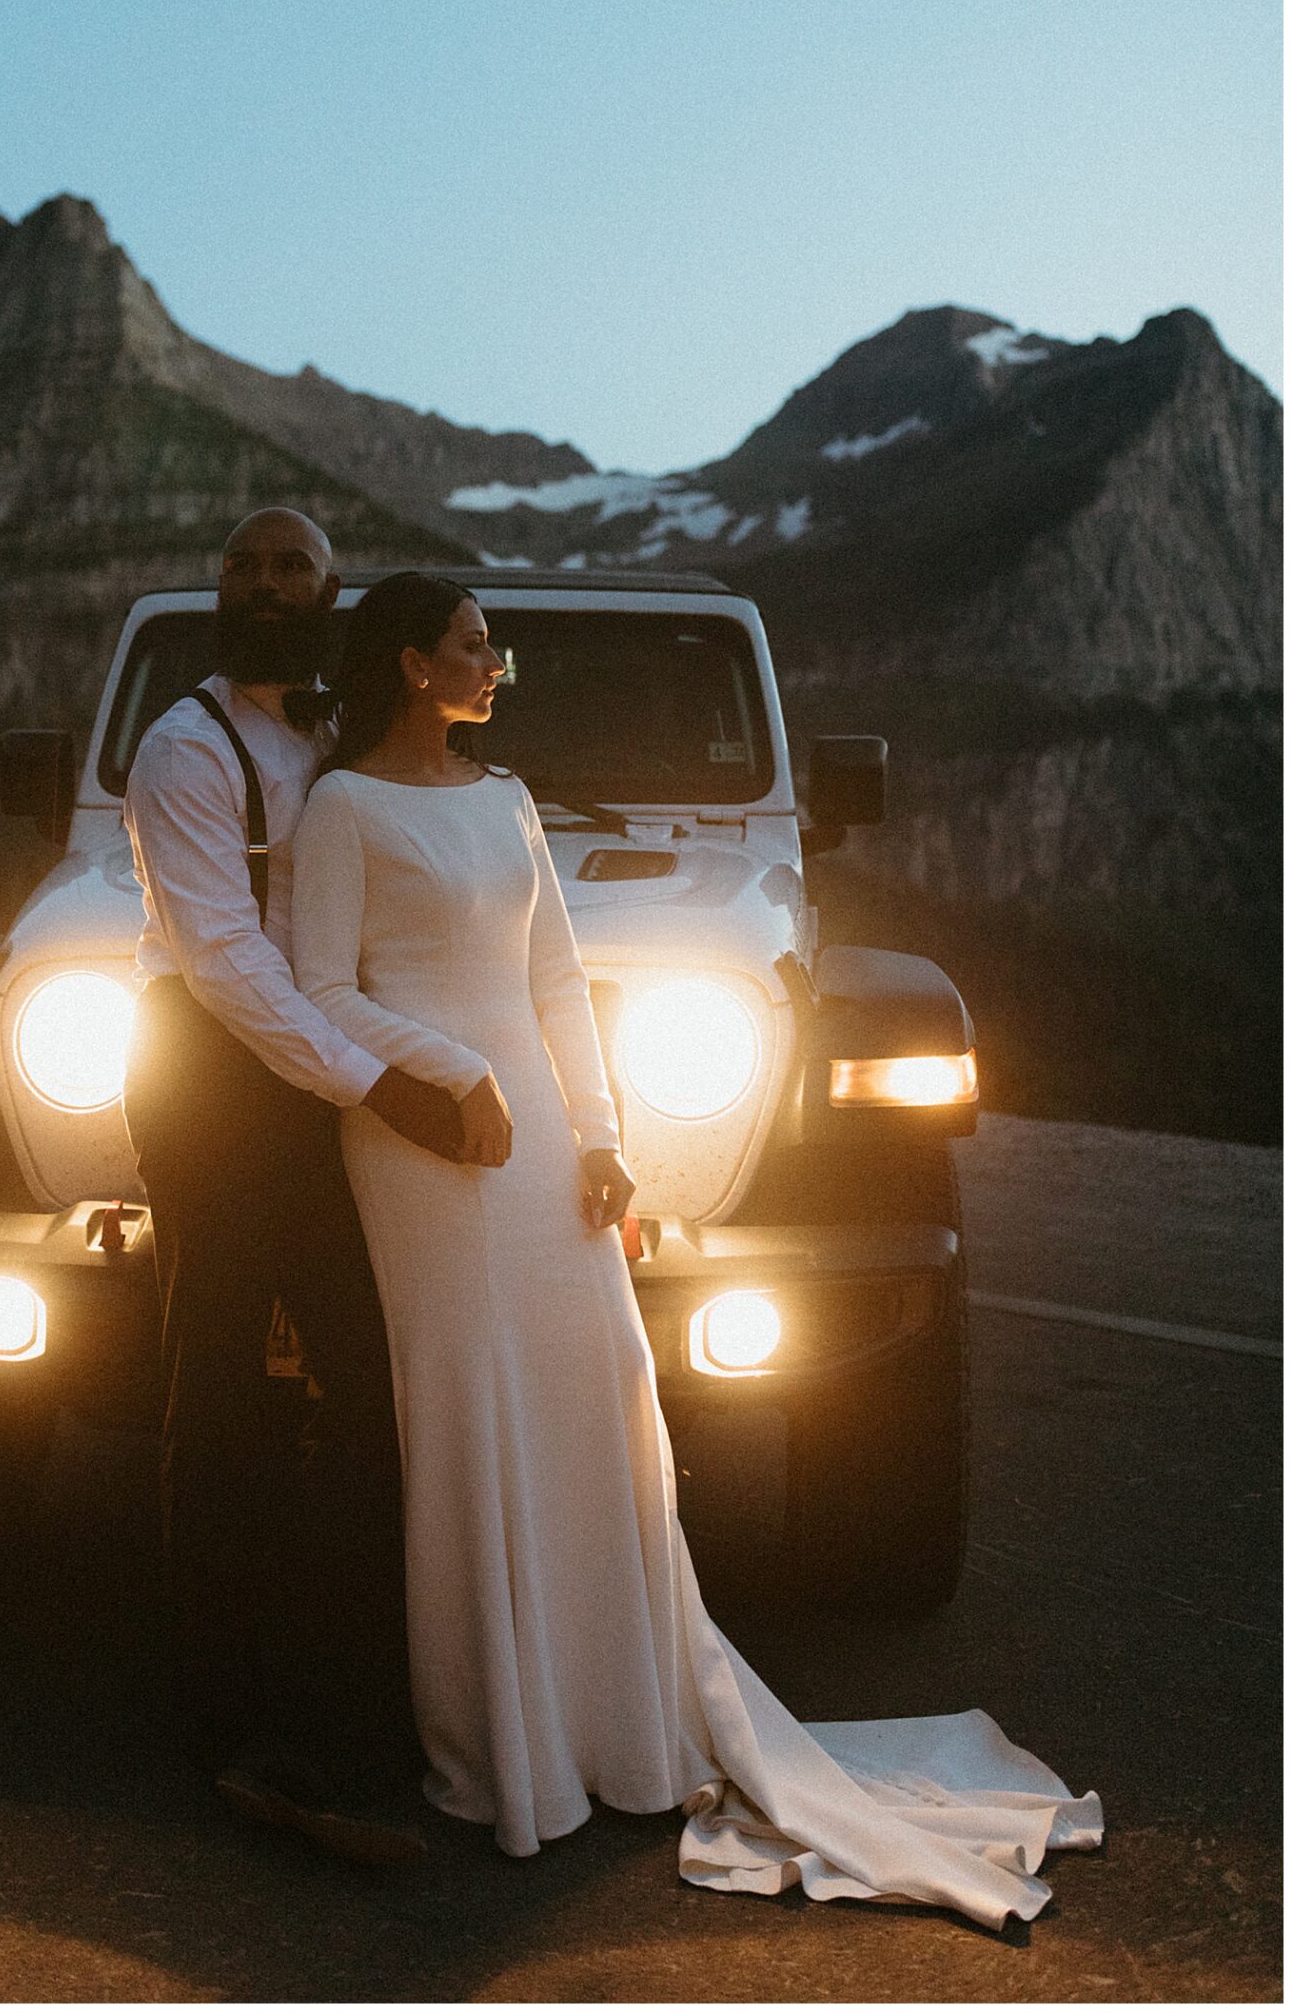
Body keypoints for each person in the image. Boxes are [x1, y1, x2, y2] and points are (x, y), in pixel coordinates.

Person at [289, 570, 1103, 1929]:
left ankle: (616, 1727)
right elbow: (321, 989)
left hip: (540, 1135)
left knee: (599, 1394)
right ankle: (508, 1753)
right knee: (466, 1412)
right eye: (478, 647)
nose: (499, 667)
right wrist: (450, 1073)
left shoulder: (502, 802)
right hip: (420, 1139)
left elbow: (554, 979)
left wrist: (600, 1133)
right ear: (411, 664)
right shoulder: (339, 809)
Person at [121, 510, 500, 1868]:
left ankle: (361, 1694)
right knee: (217, 1389)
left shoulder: (330, 743)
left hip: (324, 1092)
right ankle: (226, 1728)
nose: (263, 584)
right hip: (218, 1096)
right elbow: (223, 961)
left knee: (366, 1383)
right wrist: (378, 1082)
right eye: (241, 565)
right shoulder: (187, 746)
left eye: (290, 568)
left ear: (333, 600)